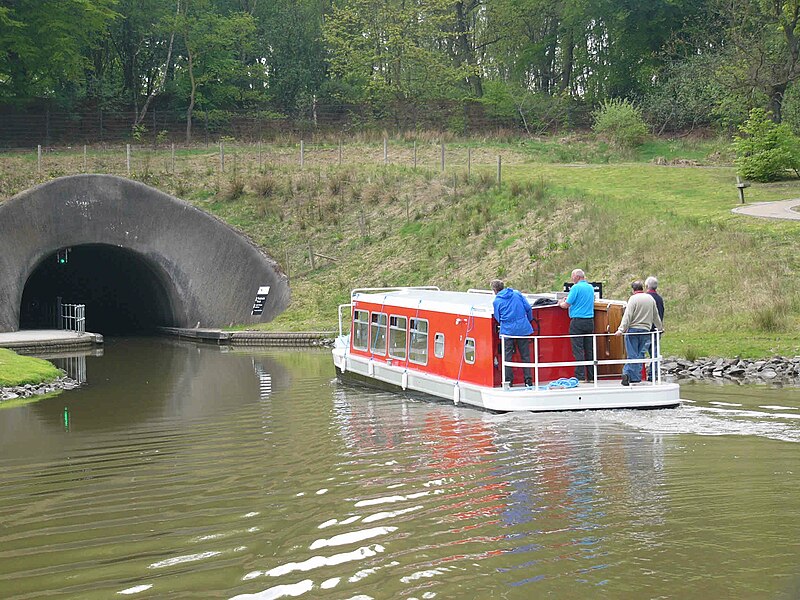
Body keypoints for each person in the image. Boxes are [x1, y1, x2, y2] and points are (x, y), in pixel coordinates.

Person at [615, 280, 663, 386]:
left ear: (633, 290)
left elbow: (628, 315)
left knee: (632, 354)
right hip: (646, 330)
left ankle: (627, 373)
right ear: (642, 288)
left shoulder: (633, 299)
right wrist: (660, 328)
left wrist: (621, 329)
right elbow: (656, 315)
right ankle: (635, 377)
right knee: (639, 355)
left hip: (633, 330)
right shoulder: (650, 299)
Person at [491, 279, 533, 387]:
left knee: (507, 357)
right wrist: (528, 321)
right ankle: (528, 380)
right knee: (525, 356)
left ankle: (508, 381)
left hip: (508, 331)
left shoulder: (497, 301)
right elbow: (528, 308)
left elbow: (498, 317)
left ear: (495, 290)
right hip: (523, 329)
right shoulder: (517, 294)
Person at [558, 268, 595, 381]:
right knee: (589, 349)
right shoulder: (590, 287)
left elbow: (566, 305)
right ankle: (591, 376)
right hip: (589, 321)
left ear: (577, 277)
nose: (571, 278)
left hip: (577, 321)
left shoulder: (575, 287)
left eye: (572, 276)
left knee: (578, 349)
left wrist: (560, 303)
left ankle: (580, 376)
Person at [644, 276, 664, 380]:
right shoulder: (659, 299)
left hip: (646, 330)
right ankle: (653, 375)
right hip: (656, 330)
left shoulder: (646, 298)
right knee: (654, 354)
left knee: (640, 352)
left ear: (647, 286)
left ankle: (638, 375)